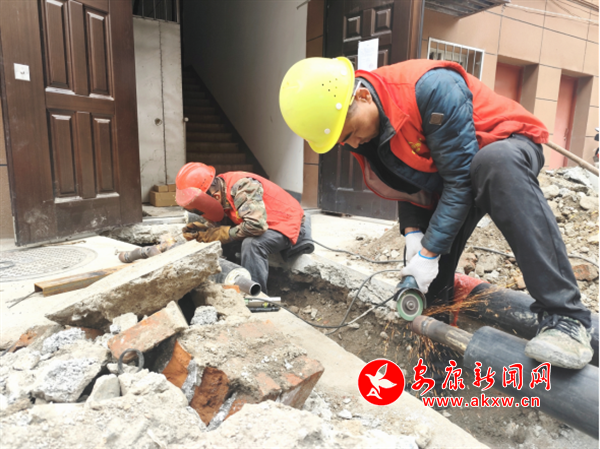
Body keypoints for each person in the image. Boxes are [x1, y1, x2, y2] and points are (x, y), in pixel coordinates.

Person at [279, 57, 593, 370]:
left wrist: (429, 251)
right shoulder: (371, 132)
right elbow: (409, 181)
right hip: (455, 175)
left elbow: (460, 182)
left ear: (362, 96)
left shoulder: (432, 88)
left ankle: (566, 319)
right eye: (343, 141)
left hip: (504, 148)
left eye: (349, 133)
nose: (353, 142)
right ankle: (438, 367)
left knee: (492, 164)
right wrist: (414, 235)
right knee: (427, 283)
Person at [175, 162, 313, 294]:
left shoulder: (243, 187)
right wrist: (208, 230)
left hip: (286, 223)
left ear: (214, 196)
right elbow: (227, 219)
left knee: (252, 244)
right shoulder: (221, 190)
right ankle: (227, 284)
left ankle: (256, 296)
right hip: (264, 223)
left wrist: (222, 233)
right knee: (225, 239)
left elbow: (255, 226)